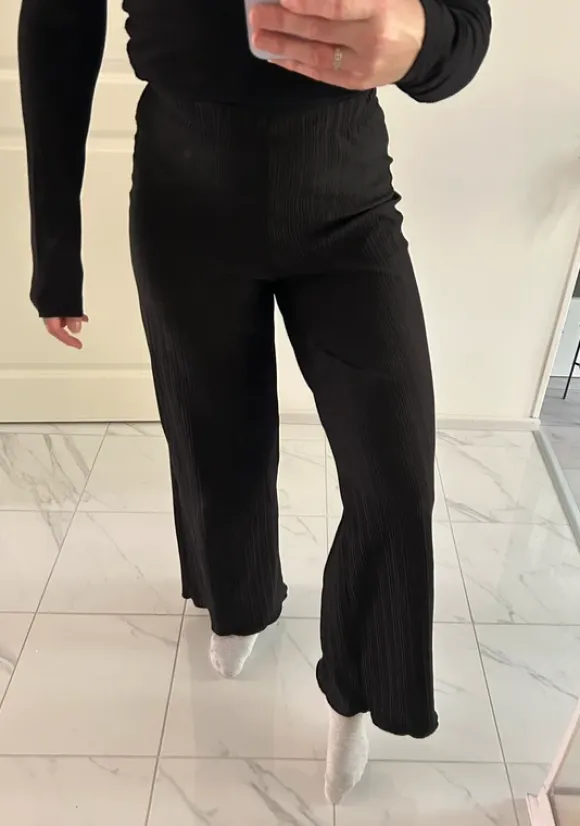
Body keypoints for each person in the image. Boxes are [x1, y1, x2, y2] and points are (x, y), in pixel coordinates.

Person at [18, 0, 492, 802]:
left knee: (395, 477)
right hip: (184, 201)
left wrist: (422, 40)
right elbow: (58, 29)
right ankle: (239, 604)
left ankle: (360, 685)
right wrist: (55, 252)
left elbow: (464, 24)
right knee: (215, 444)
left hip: (345, 202)